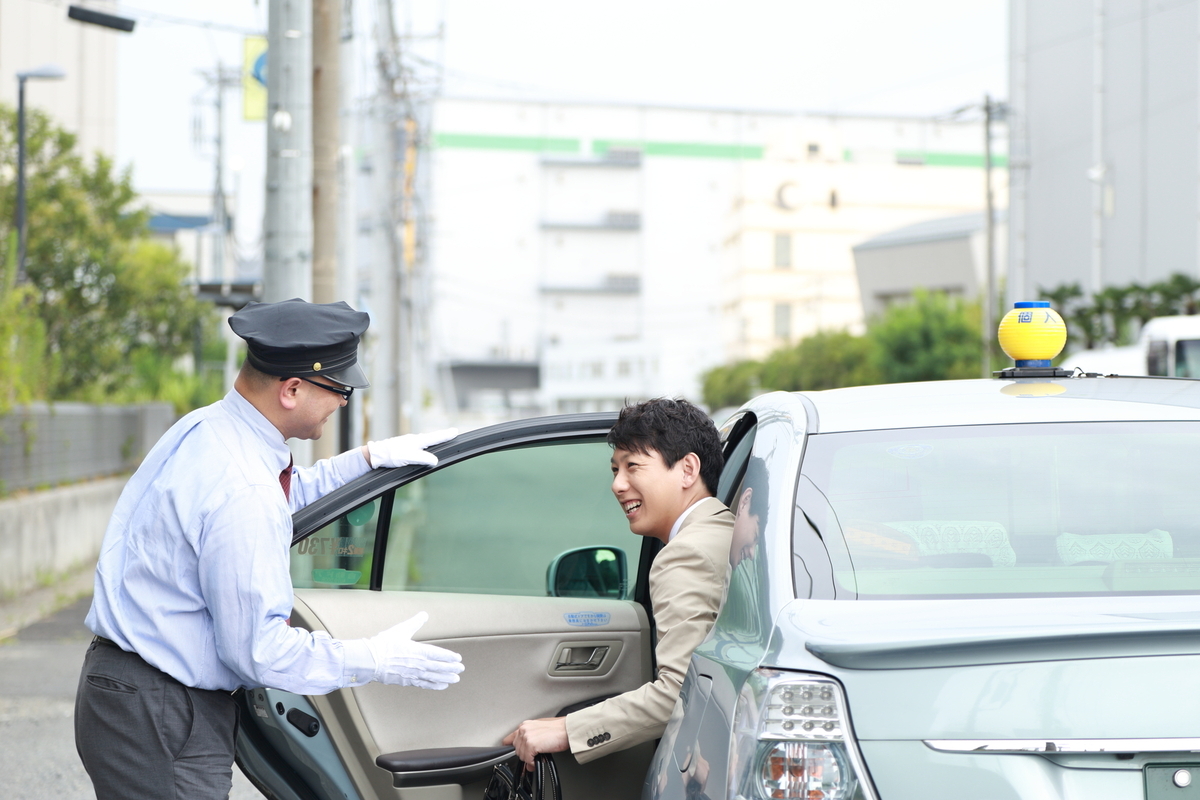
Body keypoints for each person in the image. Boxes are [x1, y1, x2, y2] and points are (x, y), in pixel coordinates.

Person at [75, 298, 465, 800]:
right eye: (340, 389)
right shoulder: (243, 488)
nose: (345, 401)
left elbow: (279, 497)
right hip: (162, 707)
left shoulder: (211, 428)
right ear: (293, 389)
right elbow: (258, 651)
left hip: (136, 692)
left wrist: (365, 461)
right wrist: (374, 659)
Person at [504, 398, 734, 767]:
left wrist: (566, 730)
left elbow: (680, 692)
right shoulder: (724, 532)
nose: (617, 484)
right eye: (615, 469)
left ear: (688, 469)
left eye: (632, 467)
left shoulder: (684, 555)